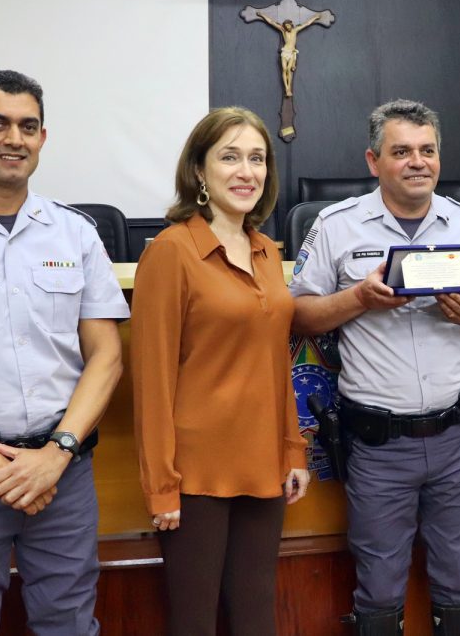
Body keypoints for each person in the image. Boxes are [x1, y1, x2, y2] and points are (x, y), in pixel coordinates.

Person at [289, 99, 460, 636]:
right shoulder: (337, 225)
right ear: (374, 161)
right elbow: (298, 314)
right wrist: (359, 299)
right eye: (401, 151)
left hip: (458, 438)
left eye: (427, 150)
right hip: (378, 442)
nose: (417, 162)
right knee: (379, 585)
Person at [0, 68, 129, 633]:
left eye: (28, 126)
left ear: (42, 137)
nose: (15, 138)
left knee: (70, 622)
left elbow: (107, 357)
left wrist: (54, 456)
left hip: (63, 474)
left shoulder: (76, 233)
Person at [131, 106, 310, 635]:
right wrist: (161, 486)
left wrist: (293, 447)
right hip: (195, 476)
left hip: (264, 465)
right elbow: (152, 380)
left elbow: (276, 360)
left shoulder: (264, 250)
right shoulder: (171, 252)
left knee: (257, 619)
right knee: (195, 624)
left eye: (256, 158)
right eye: (229, 157)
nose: (246, 171)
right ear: (198, 171)